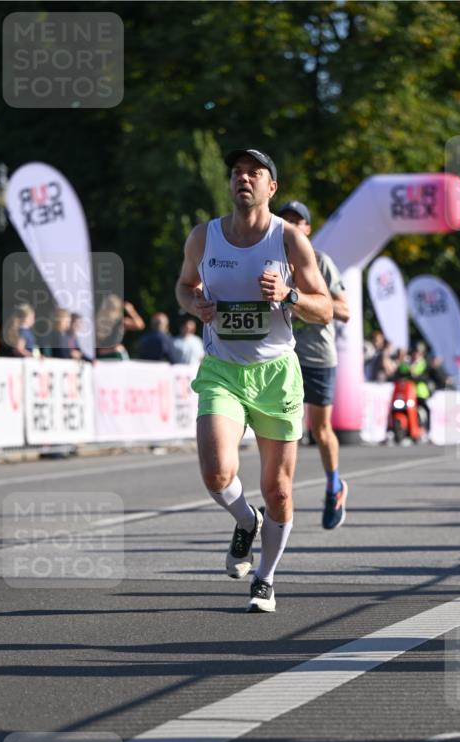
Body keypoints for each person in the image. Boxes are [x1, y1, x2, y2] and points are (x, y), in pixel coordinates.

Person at [175, 147, 331, 612]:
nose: (244, 179)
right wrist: (194, 305)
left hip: (277, 373)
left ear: (271, 187)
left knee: (279, 489)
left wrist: (290, 294)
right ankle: (246, 522)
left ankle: (265, 577)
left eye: (254, 173)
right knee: (217, 471)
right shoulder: (204, 237)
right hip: (222, 368)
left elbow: (324, 308)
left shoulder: (289, 241)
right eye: (238, 172)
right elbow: (185, 286)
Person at [277, 200, 351, 529]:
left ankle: (334, 485)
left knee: (321, 431)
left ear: (308, 228)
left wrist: (302, 300)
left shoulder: (321, 262)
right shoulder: (271, 261)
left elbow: (345, 311)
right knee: (285, 431)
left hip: (319, 356)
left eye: (298, 221)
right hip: (283, 356)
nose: (292, 225)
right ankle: (280, 495)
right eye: (286, 220)